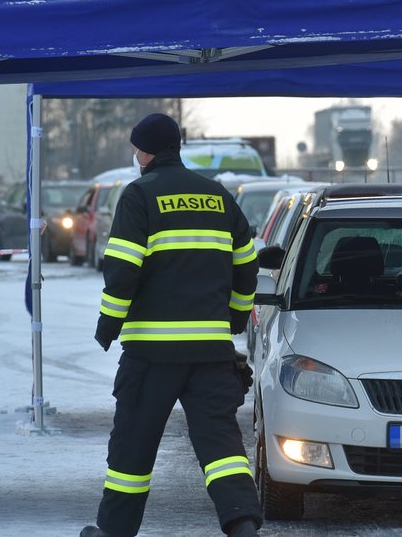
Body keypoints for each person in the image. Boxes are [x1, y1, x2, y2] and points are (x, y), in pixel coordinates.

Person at [81, 113, 261, 537]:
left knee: (133, 449)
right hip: (211, 355)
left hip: (151, 355)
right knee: (222, 449)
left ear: (146, 152)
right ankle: (243, 526)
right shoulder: (218, 195)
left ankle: (114, 532)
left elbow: (122, 269)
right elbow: (247, 263)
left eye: (136, 148)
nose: (134, 156)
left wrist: (108, 325)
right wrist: (235, 317)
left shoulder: (139, 195)